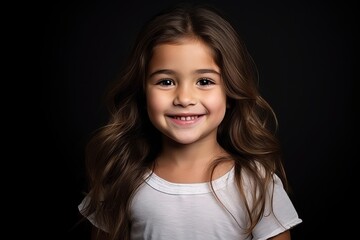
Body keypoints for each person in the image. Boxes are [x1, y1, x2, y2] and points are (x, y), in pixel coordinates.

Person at [78, 2, 302, 240]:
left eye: (204, 81)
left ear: (229, 93)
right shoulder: (121, 177)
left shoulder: (256, 183)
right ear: (143, 92)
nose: (184, 99)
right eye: (166, 82)